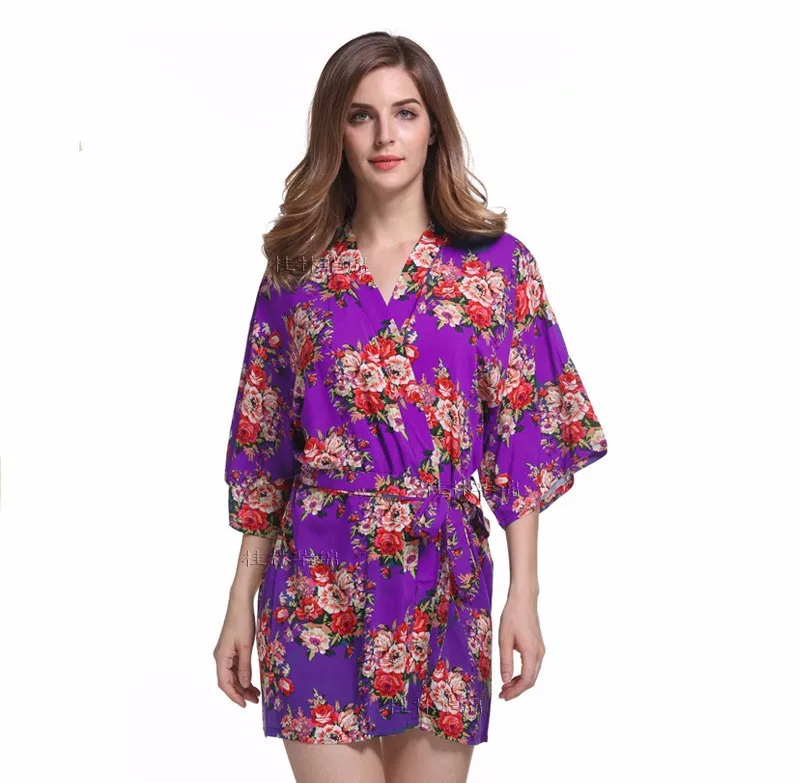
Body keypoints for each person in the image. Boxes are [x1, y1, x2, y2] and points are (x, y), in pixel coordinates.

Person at [213, 30, 608, 783]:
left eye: (405, 112)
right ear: (335, 131)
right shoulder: (297, 273)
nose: (384, 136)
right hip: (318, 580)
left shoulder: (497, 270)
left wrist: (524, 595)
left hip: (444, 581)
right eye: (361, 116)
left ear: (434, 128)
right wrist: (239, 602)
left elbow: (523, 441)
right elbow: (264, 453)